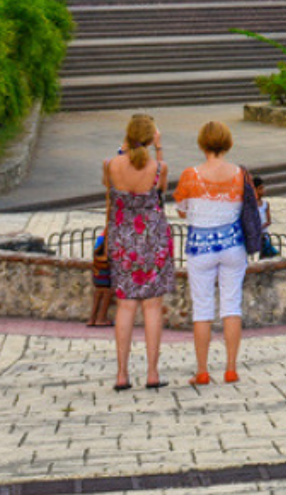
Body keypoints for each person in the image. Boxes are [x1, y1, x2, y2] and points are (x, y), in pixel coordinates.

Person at [174, 121, 250, 385]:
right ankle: (231, 368)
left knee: (203, 309)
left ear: (202, 143)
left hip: (200, 245)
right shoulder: (240, 174)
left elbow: (182, 209)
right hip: (232, 243)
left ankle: (203, 370)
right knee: (231, 304)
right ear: (227, 143)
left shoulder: (190, 175)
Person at [102, 114, 171, 390]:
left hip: (123, 241)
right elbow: (161, 193)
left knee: (125, 305)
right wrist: (159, 147)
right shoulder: (159, 167)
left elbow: (110, 198)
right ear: (152, 136)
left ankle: (121, 374)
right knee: (153, 306)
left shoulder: (111, 165)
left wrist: (124, 147)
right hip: (153, 240)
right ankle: (152, 373)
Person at [87, 235, 115, 327]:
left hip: (97, 269)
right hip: (106, 269)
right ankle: (101, 318)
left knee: (98, 292)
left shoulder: (100, 238)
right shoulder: (112, 237)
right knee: (108, 292)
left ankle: (92, 319)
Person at [253, 175, 278, 258]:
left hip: (264, 233)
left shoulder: (265, 204)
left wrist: (264, 225)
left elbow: (268, 220)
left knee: (265, 253)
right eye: (260, 188)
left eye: (263, 188)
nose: (263, 191)